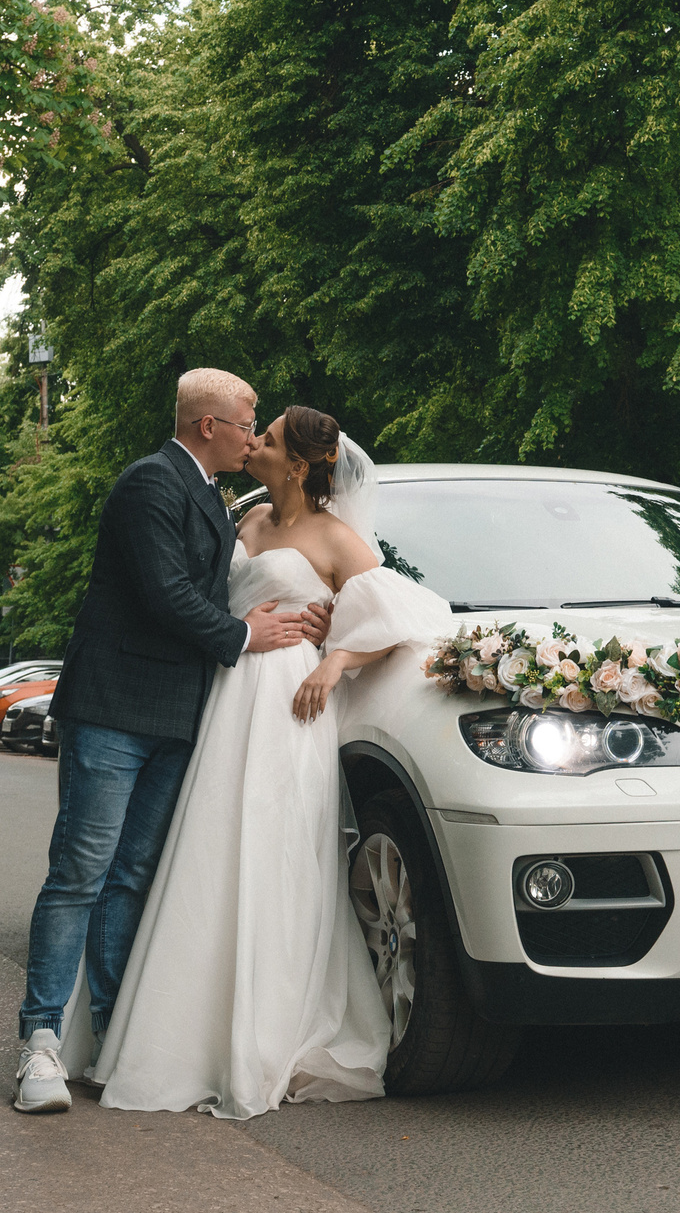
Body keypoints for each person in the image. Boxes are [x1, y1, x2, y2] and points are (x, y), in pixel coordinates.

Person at [76, 405, 451, 1119]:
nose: (257, 442)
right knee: (203, 855)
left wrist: (335, 654)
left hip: (288, 704)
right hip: (220, 699)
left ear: (302, 465)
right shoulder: (239, 523)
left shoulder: (336, 536)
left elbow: (409, 615)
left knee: (273, 858)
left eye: (271, 439)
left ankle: (265, 1032)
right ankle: (189, 1028)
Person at [12, 369, 330, 1114]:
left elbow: (227, 588)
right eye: (249, 420)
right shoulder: (148, 483)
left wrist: (312, 619)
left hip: (181, 718)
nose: (255, 434)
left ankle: (115, 1031)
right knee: (80, 873)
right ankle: (38, 1047)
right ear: (209, 425)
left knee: (132, 876)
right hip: (116, 709)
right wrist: (245, 634)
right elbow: (166, 594)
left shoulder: (220, 500)